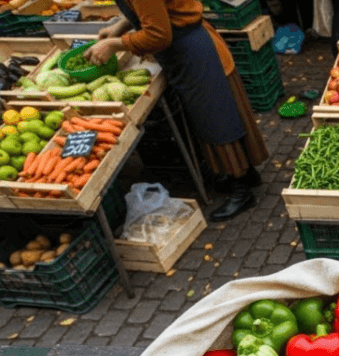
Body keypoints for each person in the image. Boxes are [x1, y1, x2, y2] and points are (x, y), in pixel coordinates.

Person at [86, 0, 270, 222]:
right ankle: (245, 174)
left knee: (217, 120)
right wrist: (119, 27)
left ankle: (241, 190)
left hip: (192, 51)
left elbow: (158, 35)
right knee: (214, 115)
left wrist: (115, 44)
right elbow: (155, 10)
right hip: (189, 48)